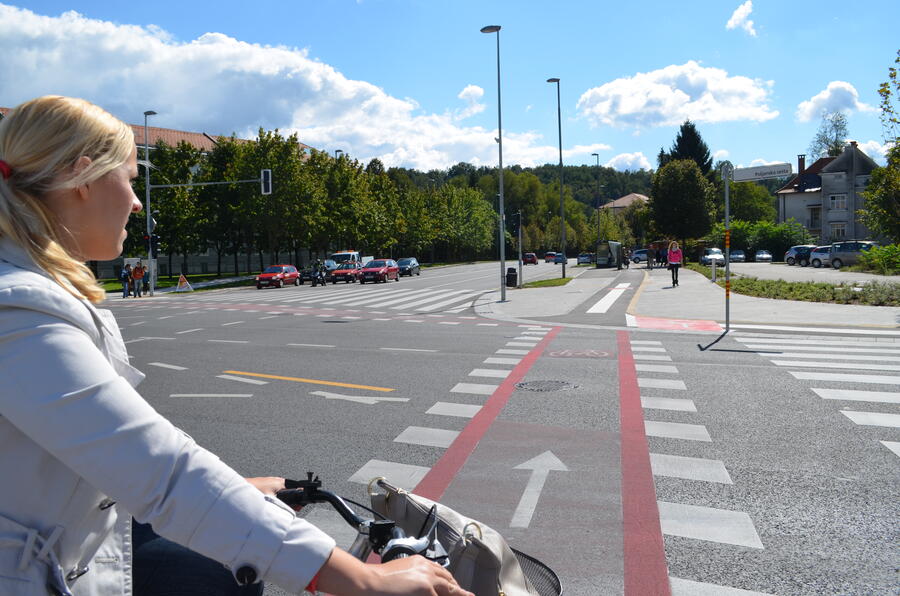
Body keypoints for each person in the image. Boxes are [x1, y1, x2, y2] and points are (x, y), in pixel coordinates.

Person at [0, 96, 471, 596]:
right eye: (132, 180)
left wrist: (238, 494)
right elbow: (163, 471)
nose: (138, 203)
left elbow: (101, 463)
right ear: (83, 178)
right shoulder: (20, 313)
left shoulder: (26, 295)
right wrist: (362, 580)